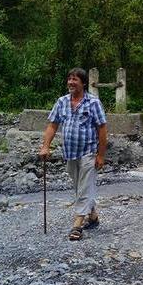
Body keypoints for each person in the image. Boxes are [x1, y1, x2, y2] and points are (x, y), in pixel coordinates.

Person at [38, 68, 108, 241]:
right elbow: (52, 125)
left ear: (83, 83)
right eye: (69, 79)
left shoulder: (93, 102)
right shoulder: (61, 102)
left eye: (74, 79)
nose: (70, 82)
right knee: (80, 187)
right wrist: (45, 146)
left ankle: (77, 224)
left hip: (88, 152)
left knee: (84, 186)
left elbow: (102, 129)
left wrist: (100, 155)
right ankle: (93, 215)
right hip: (70, 153)